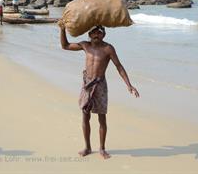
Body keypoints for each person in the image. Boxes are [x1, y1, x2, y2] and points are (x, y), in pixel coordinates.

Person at [59, 24, 140, 159]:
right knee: (85, 116)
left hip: (100, 85)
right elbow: (65, 46)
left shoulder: (108, 48)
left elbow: (119, 66)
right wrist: (62, 30)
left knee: (102, 117)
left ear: (104, 35)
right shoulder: (85, 45)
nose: (97, 35)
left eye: (99, 33)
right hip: (87, 84)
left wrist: (129, 85)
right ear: (89, 34)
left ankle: (102, 148)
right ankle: (87, 147)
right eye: (94, 33)